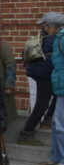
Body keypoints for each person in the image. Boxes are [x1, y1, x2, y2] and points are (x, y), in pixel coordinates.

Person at [20, 13, 64, 146]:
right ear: (54, 27)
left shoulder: (41, 37)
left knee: (57, 94)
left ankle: (47, 120)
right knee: (42, 103)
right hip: (45, 74)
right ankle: (27, 132)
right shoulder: (55, 39)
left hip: (40, 73)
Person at [42, 24, 64, 165]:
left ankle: (61, 159)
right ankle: (56, 157)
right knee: (57, 124)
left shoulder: (62, 38)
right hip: (60, 84)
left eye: (47, 26)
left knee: (60, 124)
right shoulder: (58, 38)